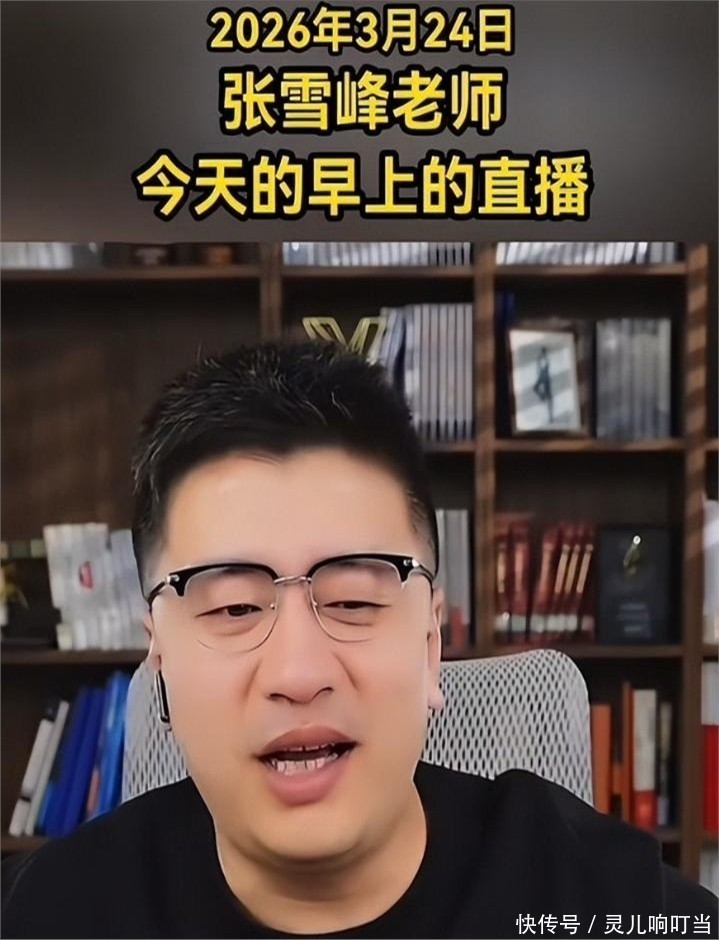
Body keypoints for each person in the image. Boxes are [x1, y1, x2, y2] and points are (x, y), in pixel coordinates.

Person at [2, 340, 717, 940]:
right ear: (159, 658)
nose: (298, 672)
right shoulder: (53, 913)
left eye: (351, 601)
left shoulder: (606, 904)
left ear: (430, 644)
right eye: (233, 607)